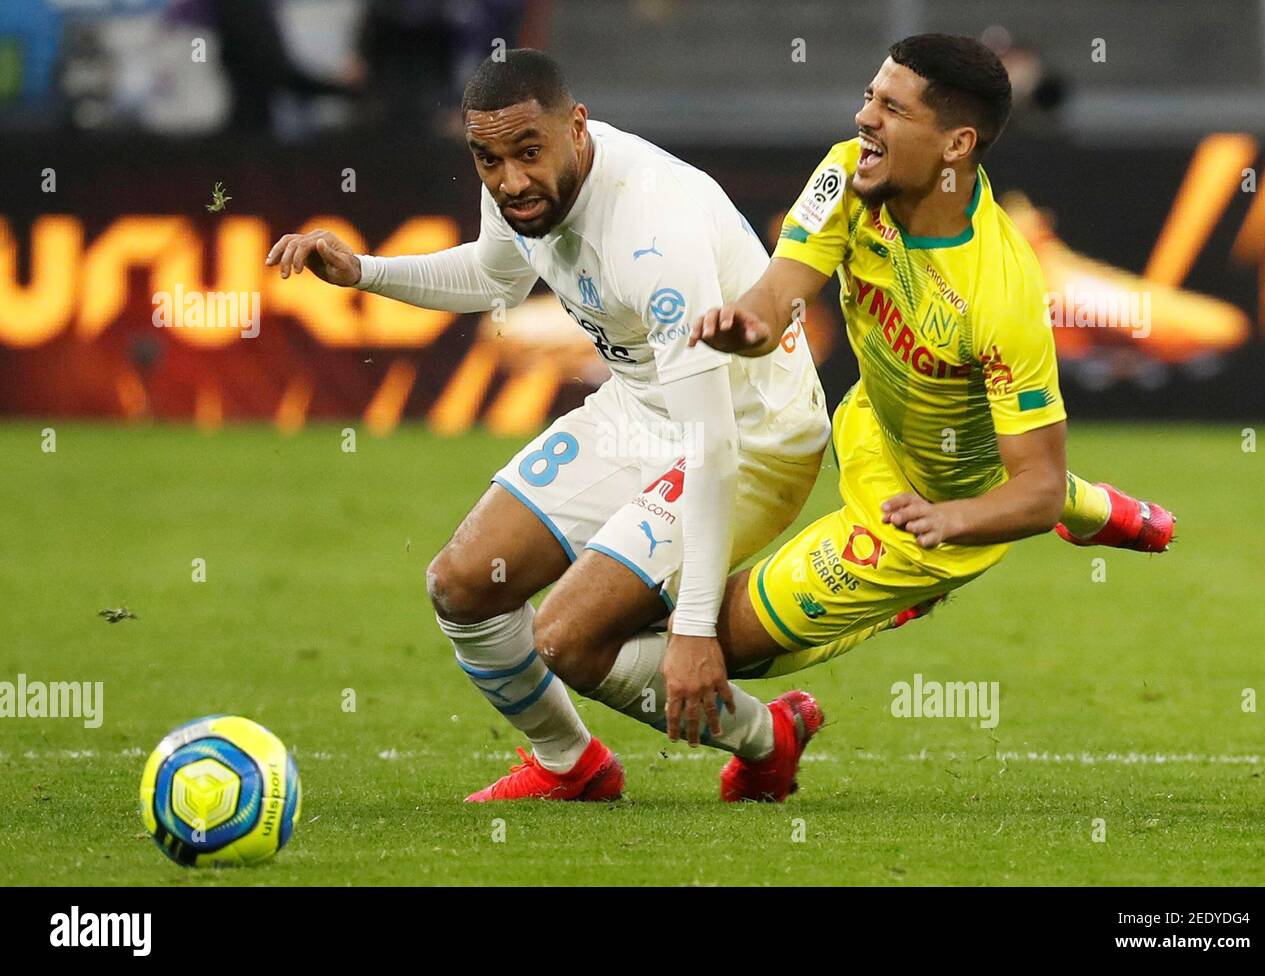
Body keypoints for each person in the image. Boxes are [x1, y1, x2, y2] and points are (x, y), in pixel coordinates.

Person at [267, 49, 833, 801]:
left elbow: (713, 444)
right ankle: (573, 767)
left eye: (527, 153)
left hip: (749, 435)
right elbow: (494, 277)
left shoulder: (651, 234)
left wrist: (693, 630)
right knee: (463, 585)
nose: (509, 181)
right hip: (640, 406)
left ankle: (767, 733)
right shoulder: (520, 189)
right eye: (487, 159)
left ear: (576, 128)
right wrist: (366, 272)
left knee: (568, 639)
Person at [667, 34, 1173, 799]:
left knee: (706, 641)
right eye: (870, 96)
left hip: (924, 519)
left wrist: (956, 519)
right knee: (673, 617)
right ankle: (1097, 505)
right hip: (869, 424)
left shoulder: (1001, 297)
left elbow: (1030, 491)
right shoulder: (846, 172)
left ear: (955, 144)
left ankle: (795, 715)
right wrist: (750, 324)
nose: (863, 117)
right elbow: (778, 295)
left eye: (890, 108)